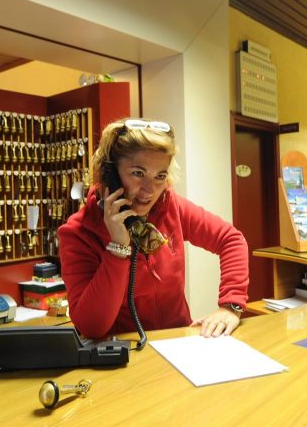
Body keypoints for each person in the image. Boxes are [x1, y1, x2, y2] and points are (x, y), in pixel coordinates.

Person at [57, 118, 249, 341]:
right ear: (109, 174)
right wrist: (118, 248)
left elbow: (231, 239)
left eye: (160, 176)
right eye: (138, 173)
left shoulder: (170, 206)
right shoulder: (78, 233)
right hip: (125, 353)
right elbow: (92, 326)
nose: (150, 190)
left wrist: (231, 305)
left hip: (178, 345)